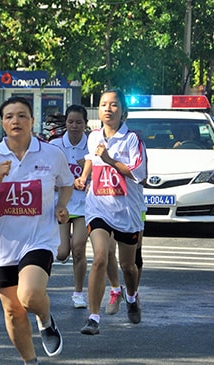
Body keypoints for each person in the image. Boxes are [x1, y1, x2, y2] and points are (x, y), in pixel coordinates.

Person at [0, 96, 74, 364]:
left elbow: (67, 182)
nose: (16, 120)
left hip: (39, 240)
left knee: (30, 295)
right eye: (10, 116)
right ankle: (30, 361)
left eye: (22, 115)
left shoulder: (51, 153)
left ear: (32, 121)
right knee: (13, 312)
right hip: (4, 246)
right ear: (2, 123)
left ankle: (46, 320)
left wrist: (62, 205)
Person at [74, 89, 147, 335]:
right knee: (101, 257)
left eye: (114, 104)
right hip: (98, 208)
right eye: (104, 104)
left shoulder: (132, 140)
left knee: (128, 266)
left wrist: (108, 158)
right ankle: (93, 318)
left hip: (126, 210)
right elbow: (90, 159)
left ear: (122, 110)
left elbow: (139, 174)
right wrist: (83, 178)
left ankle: (132, 295)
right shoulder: (94, 137)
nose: (108, 108)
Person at [49, 105, 89, 309]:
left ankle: (78, 293)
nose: (74, 126)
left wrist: (87, 177)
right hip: (62, 205)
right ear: (65, 122)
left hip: (84, 207)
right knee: (63, 252)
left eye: (79, 122)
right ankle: (69, 241)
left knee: (79, 250)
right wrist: (68, 182)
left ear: (85, 124)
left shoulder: (92, 146)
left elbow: (100, 176)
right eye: (71, 122)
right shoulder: (55, 146)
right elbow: (47, 176)